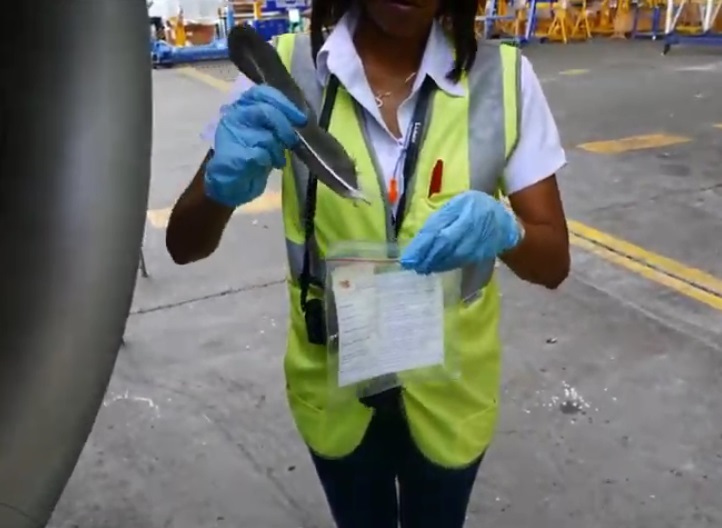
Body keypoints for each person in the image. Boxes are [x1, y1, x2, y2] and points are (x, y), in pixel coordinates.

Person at [166, 0, 571, 524]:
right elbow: (184, 243)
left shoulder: (505, 80)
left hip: (451, 395)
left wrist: (506, 230)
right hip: (334, 392)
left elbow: (553, 261)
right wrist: (221, 186)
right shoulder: (283, 72)